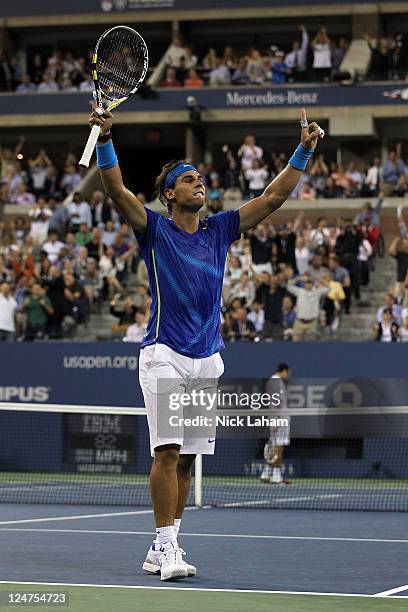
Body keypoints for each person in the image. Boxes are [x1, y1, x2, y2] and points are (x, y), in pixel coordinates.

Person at [88, 103, 323, 581]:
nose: (201, 183)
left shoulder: (219, 231)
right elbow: (115, 188)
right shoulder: (155, 230)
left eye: (201, 178)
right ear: (169, 194)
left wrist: (302, 151)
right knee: (167, 451)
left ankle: (165, 545)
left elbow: (273, 199)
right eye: (190, 179)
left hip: (206, 359)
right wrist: (107, 139)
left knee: (189, 457)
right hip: (165, 355)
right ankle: (165, 544)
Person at [260, 363, 292, 484]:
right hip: (280, 419)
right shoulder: (276, 382)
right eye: (288, 373)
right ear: (284, 371)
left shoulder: (273, 381)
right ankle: (277, 475)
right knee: (279, 446)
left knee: (274, 446)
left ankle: (267, 473)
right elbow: (277, 401)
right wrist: (278, 419)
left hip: (276, 418)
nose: (288, 375)